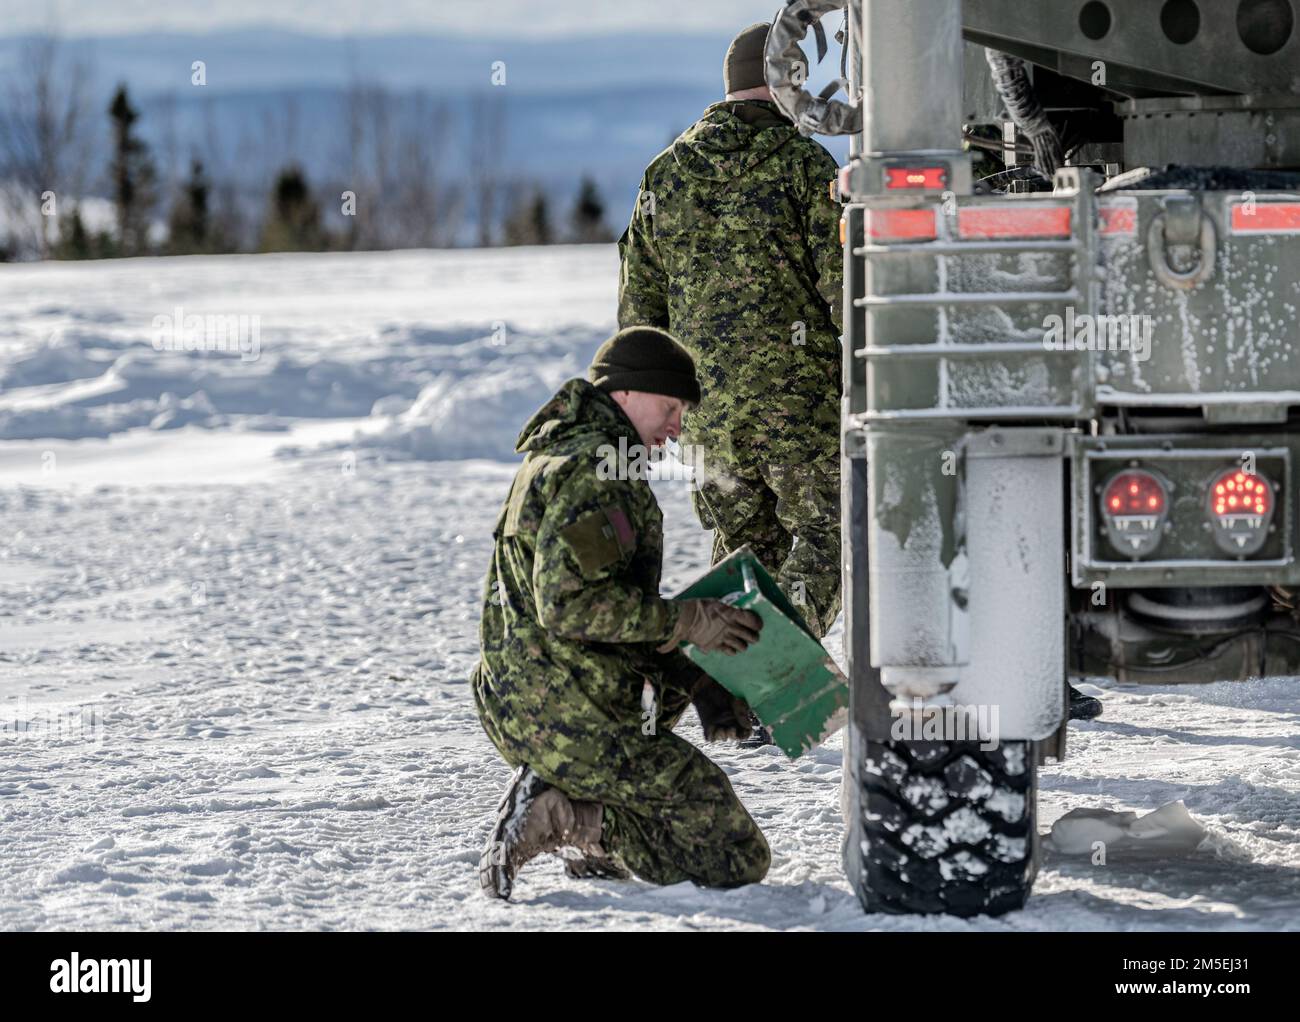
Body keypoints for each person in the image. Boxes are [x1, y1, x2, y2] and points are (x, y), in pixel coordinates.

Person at [473, 326, 772, 900]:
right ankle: (571, 817)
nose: (678, 427)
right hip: (566, 714)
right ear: (626, 394)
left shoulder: (566, 454)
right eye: (670, 407)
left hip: (527, 698)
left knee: (695, 644)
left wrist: (695, 670)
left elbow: (598, 607)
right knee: (735, 856)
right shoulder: (594, 470)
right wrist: (684, 623)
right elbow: (569, 606)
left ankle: (579, 798)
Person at [618, 22, 845, 742]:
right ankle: (754, 683)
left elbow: (637, 322)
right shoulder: (804, 166)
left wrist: (664, 410)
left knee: (745, 554)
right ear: (787, 81)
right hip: (798, 410)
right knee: (827, 540)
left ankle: (701, 700)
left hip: (705, 419)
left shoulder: (664, 176)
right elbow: (845, 294)